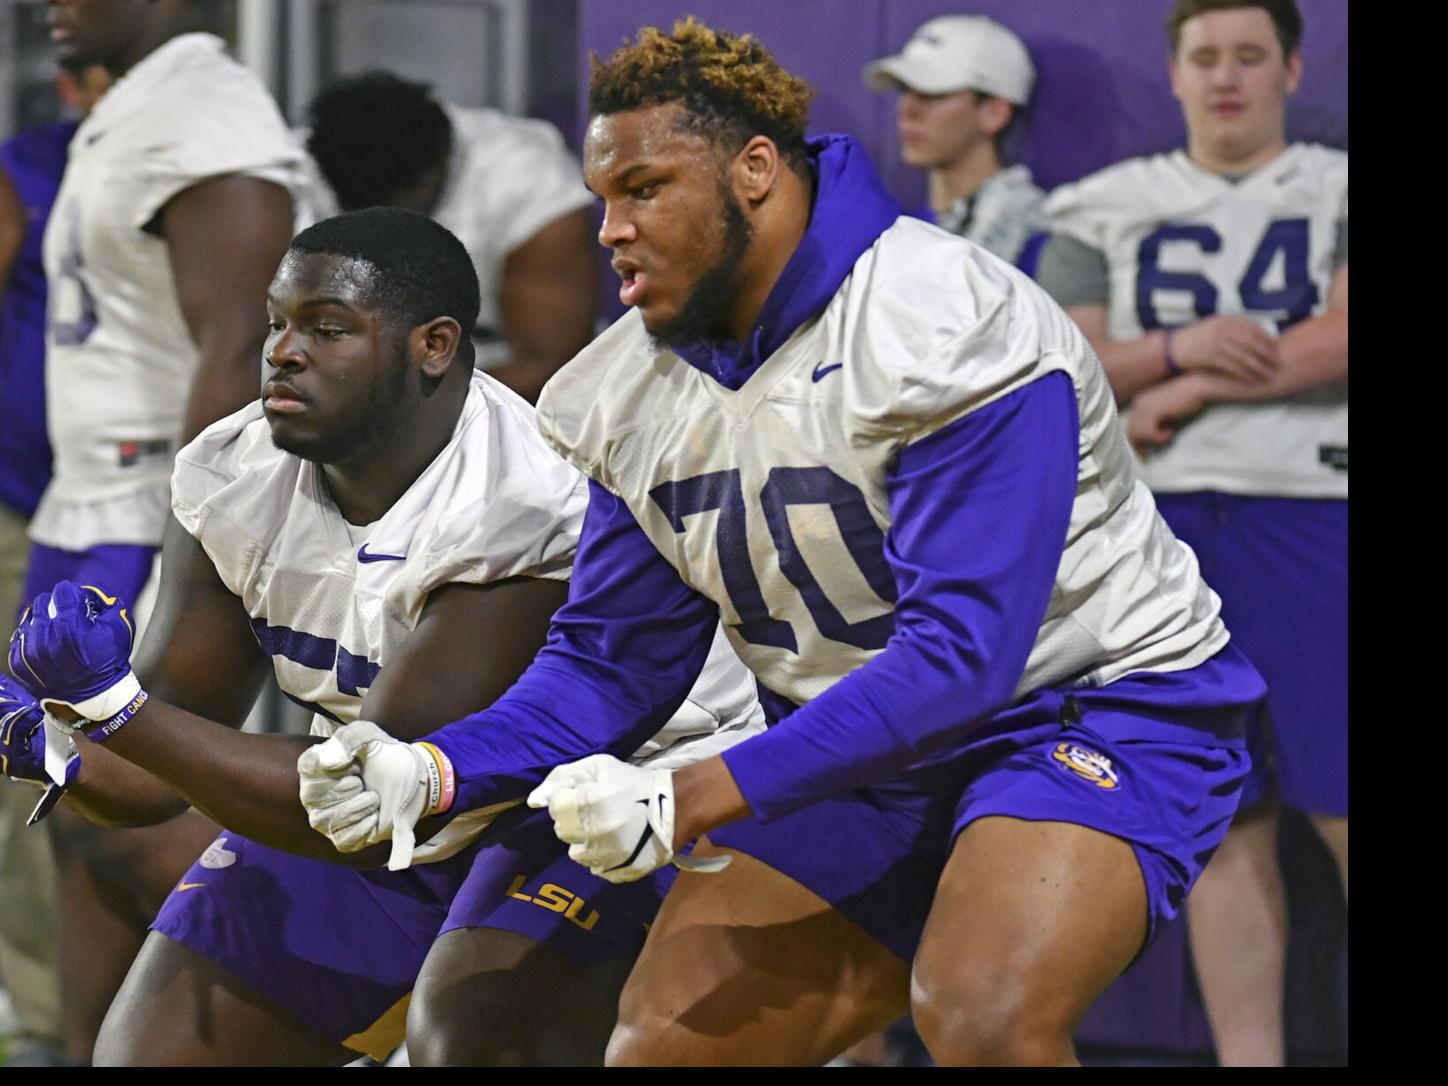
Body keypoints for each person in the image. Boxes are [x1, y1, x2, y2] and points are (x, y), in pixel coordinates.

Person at [295, 19, 1267, 1067]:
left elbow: (961, 658)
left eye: (647, 188)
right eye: (604, 197)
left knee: (981, 1012)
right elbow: (611, 658)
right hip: (854, 739)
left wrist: (689, 793)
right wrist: (440, 769)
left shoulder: (941, 321)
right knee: (665, 1050)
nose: (610, 228)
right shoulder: (621, 387)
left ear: (754, 171)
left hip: (1089, 704)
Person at [2, 207, 762, 1067]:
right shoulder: (231, 471)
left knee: (473, 1038)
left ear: (433, 345)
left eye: (327, 329)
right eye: (278, 323)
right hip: (389, 796)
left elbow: (368, 803)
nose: (283, 351)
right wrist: (48, 738)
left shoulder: (527, 495)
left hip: (603, 796)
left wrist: (113, 711)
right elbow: (153, 768)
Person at [1034, 0, 1346, 1064]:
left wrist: (1176, 389)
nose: (1225, 78)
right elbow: (1067, 356)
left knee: (1341, 805)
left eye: (1248, 56)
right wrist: (1178, 352)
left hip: (1310, 512)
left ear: (1290, 68)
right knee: (1222, 821)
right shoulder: (1100, 203)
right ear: (1170, 74)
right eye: (1204, 57)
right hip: (1152, 535)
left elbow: (1343, 337)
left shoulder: (1335, 184)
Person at [22, 0, 310, 1061]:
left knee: (148, 813)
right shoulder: (134, 104)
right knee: (72, 809)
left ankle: (324, 1020)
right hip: (84, 505)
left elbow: (243, 346)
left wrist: (206, 537)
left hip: (147, 517)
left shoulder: (207, 112)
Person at [0, 55, 108, 1068]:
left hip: (102, 508)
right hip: (23, 501)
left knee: (78, 764)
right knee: (29, 761)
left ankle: (62, 1018)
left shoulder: (198, 159)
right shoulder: (25, 164)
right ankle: (38, 1017)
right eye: (71, 63)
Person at [304, 70, 598, 404]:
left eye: (399, 206)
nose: (384, 223)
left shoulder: (529, 179)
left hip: (489, 392)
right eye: (361, 207)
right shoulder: (291, 181)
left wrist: (399, 420)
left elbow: (551, 366)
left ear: (438, 164)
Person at [862, 15, 1045, 266]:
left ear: (995, 112)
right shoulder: (894, 234)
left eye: (932, 93)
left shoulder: (1041, 238)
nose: (907, 110)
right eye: (905, 90)